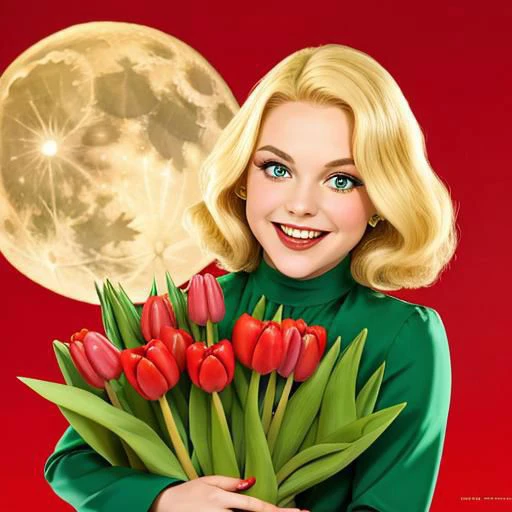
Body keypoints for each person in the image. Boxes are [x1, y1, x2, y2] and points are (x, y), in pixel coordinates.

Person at [44, 44, 457, 512]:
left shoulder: (403, 338)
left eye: (341, 180)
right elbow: (71, 462)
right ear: (243, 178)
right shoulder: (184, 316)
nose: (301, 205)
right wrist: (165, 501)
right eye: (277, 169)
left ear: (382, 198)